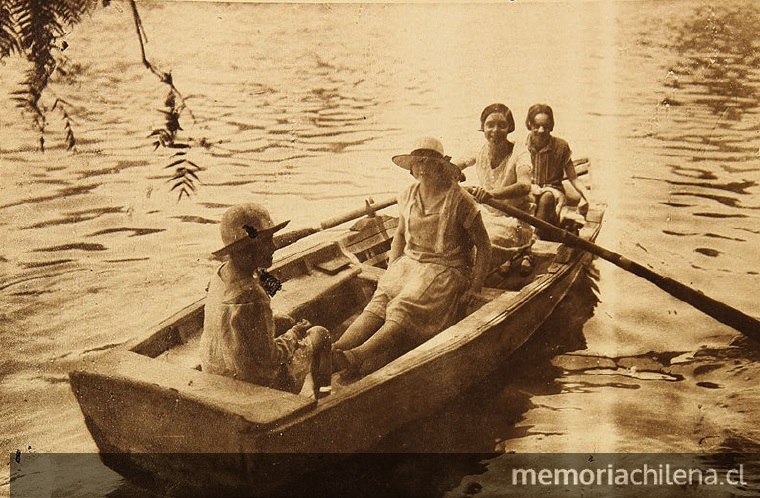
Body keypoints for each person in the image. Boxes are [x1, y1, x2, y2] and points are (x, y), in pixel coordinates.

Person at [332, 137, 492, 379]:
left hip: (447, 270)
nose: (424, 169)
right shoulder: (407, 194)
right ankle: (336, 351)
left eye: (430, 163)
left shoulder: (460, 200)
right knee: (381, 299)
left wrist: (476, 286)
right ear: (412, 169)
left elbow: (484, 246)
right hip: (410, 265)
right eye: (418, 164)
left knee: (405, 304)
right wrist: (391, 269)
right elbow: (399, 235)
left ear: (441, 167)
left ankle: (359, 356)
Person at [200, 203, 331, 396]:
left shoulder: (219, 274)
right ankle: (323, 399)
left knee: (281, 326)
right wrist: (294, 334)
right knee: (321, 334)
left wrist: (275, 319)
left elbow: (237, 321)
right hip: (256, 389)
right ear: (248, 249)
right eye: (267, 241)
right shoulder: (253, 294)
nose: (273, 246)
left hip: (218, 375)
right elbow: (271, 358)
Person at [457, 103, 535, 268]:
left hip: (515, 220)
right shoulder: (479, 150)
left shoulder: (520, 153)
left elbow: (524, 185)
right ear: (482, 128)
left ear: (510, 128)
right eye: (490, 125)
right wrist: (452, 172)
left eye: (502, 125)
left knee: (480, 242)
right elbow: (457, 164)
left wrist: (492, 194)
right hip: (486, 215)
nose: (495, 130)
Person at [525, 103, 590, 239]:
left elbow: (573, 178)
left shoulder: (561, 146)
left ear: (551, 126)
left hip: (553, 195)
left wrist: (586, 197)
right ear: (529, 124)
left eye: (546, 126)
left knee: (547, 196)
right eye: (536, 126)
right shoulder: (520, 146)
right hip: (529, 190)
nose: (541, 130)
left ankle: (535, 238)